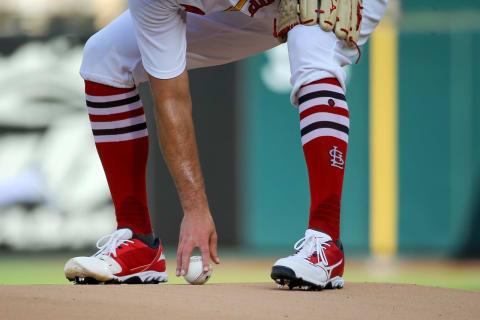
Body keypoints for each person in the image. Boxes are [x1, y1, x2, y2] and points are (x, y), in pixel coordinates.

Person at [64, 0, 387, 289]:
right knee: (104, 56)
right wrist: (195, 208)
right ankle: (138, 243)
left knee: (312, 51)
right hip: (247, 11)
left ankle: (325, 243)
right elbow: (171, 99)